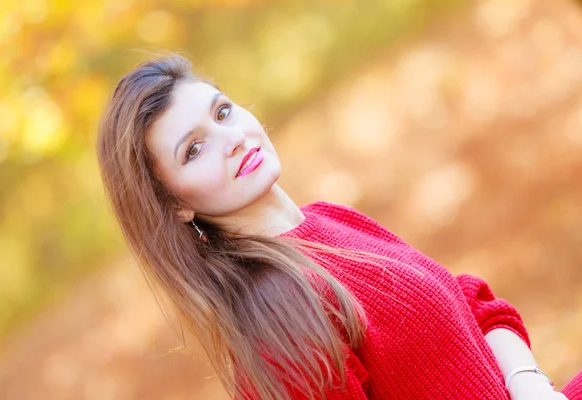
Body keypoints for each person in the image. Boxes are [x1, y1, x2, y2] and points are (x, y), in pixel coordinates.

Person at [96, 54, 582, 400]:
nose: (231, 139)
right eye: (193, 149)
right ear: (176, 206)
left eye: (222, 111)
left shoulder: (329, 219)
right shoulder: (275, 324)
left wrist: (530, 385)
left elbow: (473, 303)